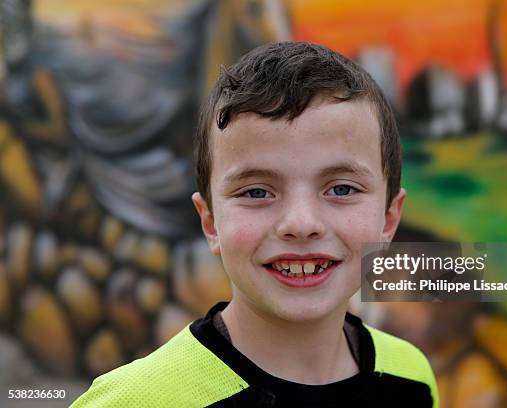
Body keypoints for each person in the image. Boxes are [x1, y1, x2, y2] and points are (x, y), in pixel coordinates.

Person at [71, 41, 439, 408]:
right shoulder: (134, 402)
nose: (301, 223)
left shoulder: (411, 378)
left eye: (341, 188)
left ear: (389, 219)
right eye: (257, 192)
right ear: (211, 222)